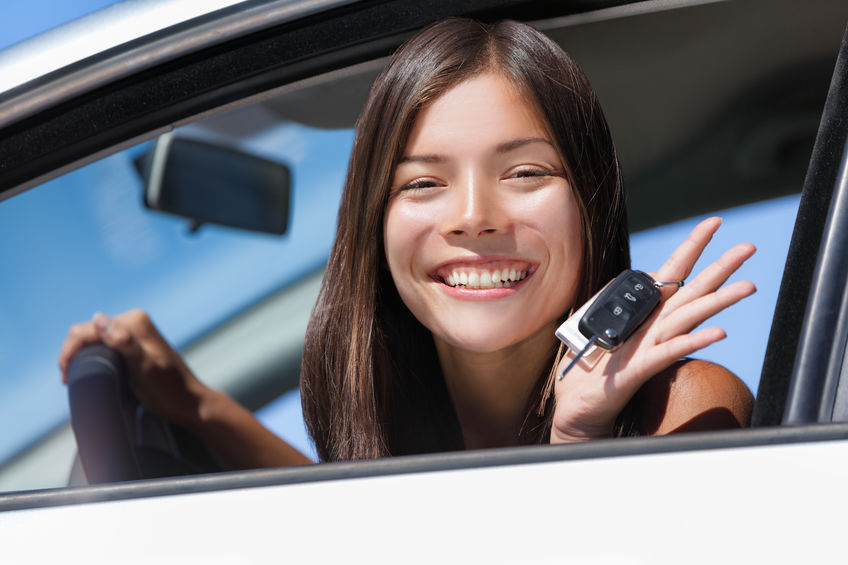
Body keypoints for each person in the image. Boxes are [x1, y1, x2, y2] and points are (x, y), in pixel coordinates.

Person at [59, 18, 755, 468]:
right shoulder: (395, 413)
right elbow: (358, 524)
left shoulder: (691, 406)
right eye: (423, 185)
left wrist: (577, 443)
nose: (474, 217)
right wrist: (196, 403)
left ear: (592, 205)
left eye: (525, 173)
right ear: (374, 227)